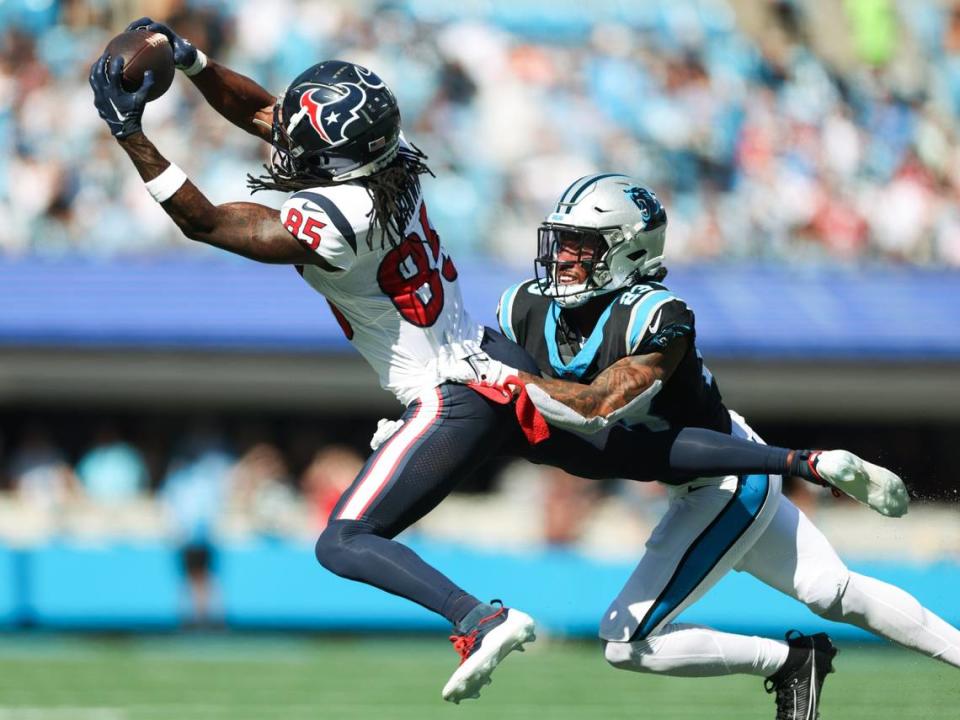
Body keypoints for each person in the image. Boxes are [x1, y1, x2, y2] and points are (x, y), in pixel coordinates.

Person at [89, 20, 905, 704]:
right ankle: (801, 460)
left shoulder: (333, 218)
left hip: (449, 391)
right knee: (624, 449)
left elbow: (209, 223)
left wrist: (129, 131)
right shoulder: (388, 157)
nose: (282, 138)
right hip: (492, 358)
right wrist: (190, 61)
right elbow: (271, 113)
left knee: (343, 540)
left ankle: (479, 617)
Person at [487, 173, 960, 718]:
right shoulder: (524, 305)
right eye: (562, 241)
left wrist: (502, 380)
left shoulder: (658, 315)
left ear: (628, 249)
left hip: (723, 479)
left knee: (626, 640)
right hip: (706, 474)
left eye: (582, 244)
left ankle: (787, 662)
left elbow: (596, 406)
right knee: (831, 590)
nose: (564, 258)